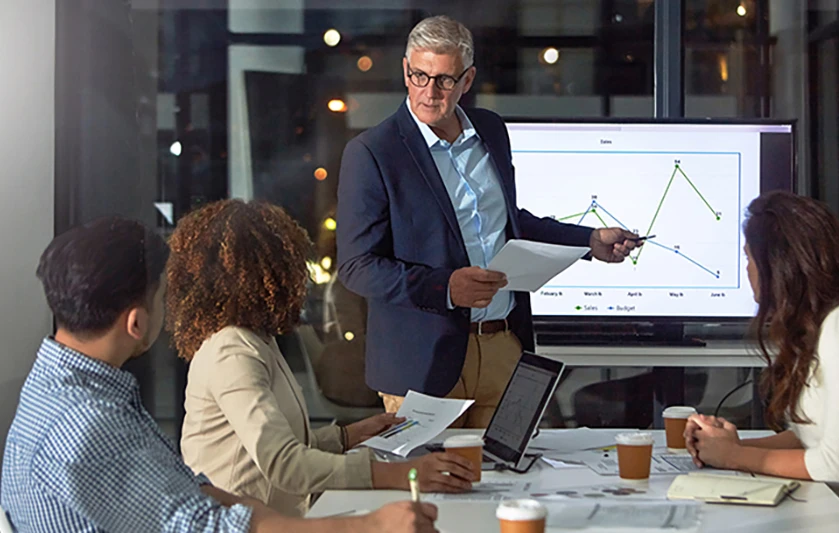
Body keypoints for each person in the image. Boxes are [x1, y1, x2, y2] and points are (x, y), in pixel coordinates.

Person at [0, 216, 439, 533]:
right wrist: (368, 525)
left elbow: (193, 491)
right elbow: (202, 524)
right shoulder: (90, 423)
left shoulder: (65, 390)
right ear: (136, 322)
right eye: (163, 295)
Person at [336, 15, 642, 428]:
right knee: (435, 486)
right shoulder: (372, 152)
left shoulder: (492, 131)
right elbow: (357, 267)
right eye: (419, 75)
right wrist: (446, 288)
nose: (429, 92)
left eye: (444, 79)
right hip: (421, 361)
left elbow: (508, 223)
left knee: (508, 483)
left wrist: (588, 240)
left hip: (502, 348)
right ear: (406, 70)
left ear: (467, 79)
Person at [168, 200, 476, 518]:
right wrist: (399, 474)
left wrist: (348, 436)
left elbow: (279, 443)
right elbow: (284, 464)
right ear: (267, 276)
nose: (299, 282)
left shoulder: (255, 338)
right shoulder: (232, 352)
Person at [683, 191, 839, 533]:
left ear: (777, 264)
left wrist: (732, 456)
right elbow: (812, 439)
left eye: (748, 257)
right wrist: (728, 445)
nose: (746, 269)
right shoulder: (817, 330)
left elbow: (836, 465)